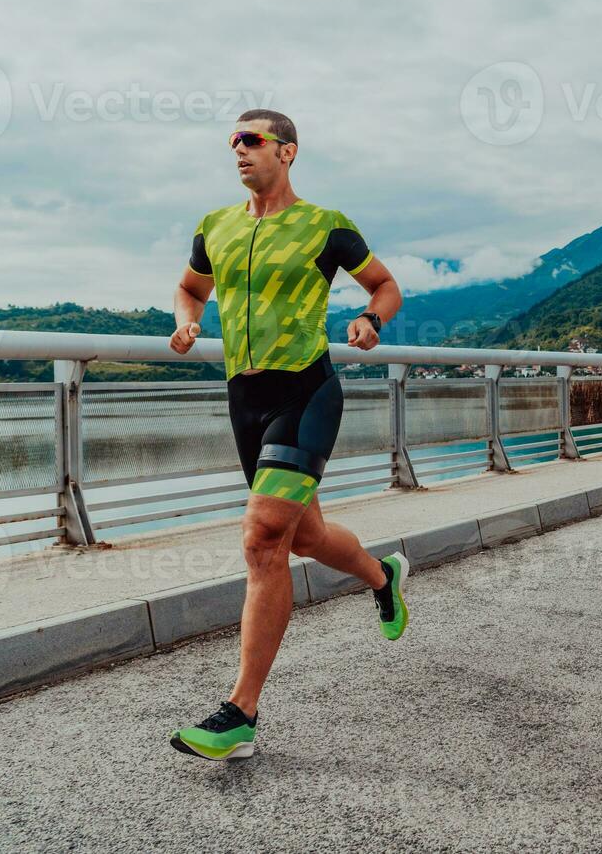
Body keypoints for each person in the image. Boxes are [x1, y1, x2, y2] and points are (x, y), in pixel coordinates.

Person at [166, 109, 408, 761]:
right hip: (243, 396)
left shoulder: (325, 225)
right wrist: (188, 322)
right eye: (233, 143)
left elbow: (385, 287)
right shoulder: (213, 226)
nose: (239, 151)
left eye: (252, 141)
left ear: (289, 151)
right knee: (303, 535)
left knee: (262, 538)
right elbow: (190, 288)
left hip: (304, 389)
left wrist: (369, 320)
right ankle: (382, 577)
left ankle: (240, 715)